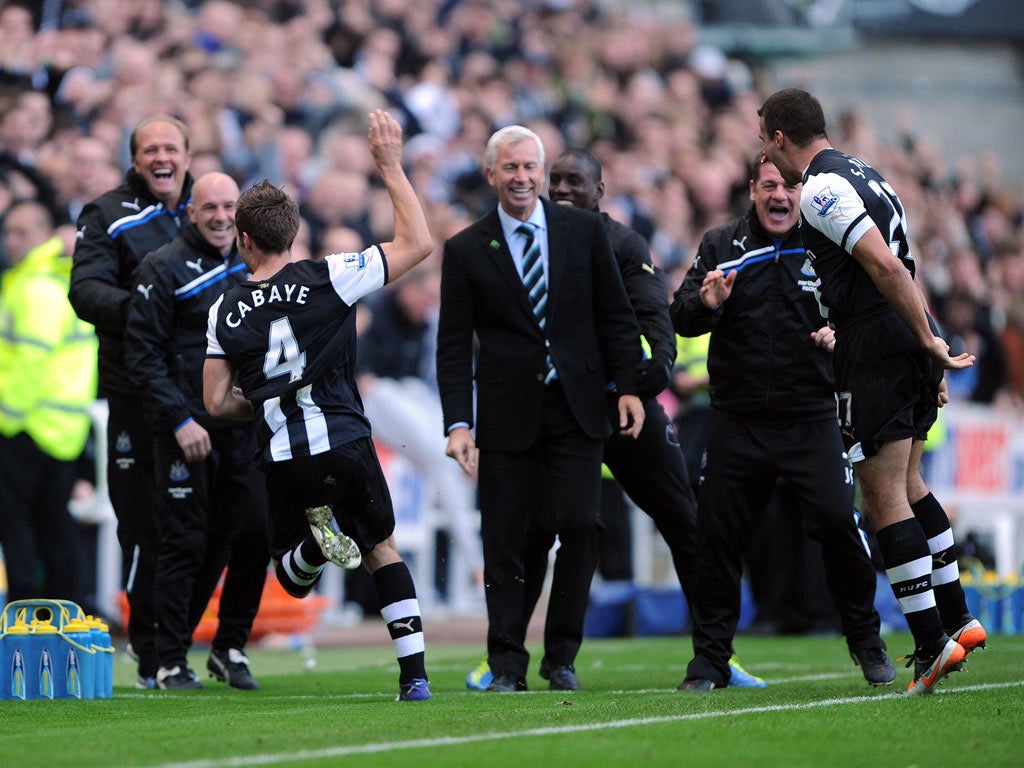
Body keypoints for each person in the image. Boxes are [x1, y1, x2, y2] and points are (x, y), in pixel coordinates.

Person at [757, 87, 986, 695]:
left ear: (780, 137)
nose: (767, 158)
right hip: (897, 335)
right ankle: (959, 616)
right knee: (912, 485)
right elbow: (903, 266)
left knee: (882, 496)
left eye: (765, 142)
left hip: (878, 343)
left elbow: (886, 266)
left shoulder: (822, 188)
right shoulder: (867, 173)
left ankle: (931, 642)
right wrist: (927, 340)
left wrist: (926, 343)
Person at [203, 110, 435, 702]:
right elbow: (418, 243)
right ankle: (414, 678)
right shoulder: (330, 275)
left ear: (245, 239)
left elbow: (215, 401)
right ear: (292, 231)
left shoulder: (225, 309)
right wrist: (388, 164)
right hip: (347, 437)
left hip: (284, 450)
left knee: (292, 577)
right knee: (382, 547)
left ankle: (311, 546)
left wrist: (260, 401)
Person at [671, 153, 896, 691]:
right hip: (737, 421)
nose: (780, 195)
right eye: (769, 185)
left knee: (841, 525)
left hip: (810, 416)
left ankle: (867, 642)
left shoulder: (830, 246)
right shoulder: (720, 244)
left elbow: (870, 314)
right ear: (752, 189)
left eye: (790, 186)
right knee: (717, 538)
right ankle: (709, 662)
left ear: (803, 193)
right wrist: (705, 305)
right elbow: (679, 313)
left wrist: (841, 340)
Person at [436, 127, 646, 693]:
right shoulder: (464, 249)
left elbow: (616, 315)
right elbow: (453, 346)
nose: (523, 178)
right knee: (506, 539)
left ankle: (562, 658)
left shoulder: (582, 231)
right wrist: (458, 423)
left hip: (576, 408)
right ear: (491, 175)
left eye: (531, 167)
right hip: (506, 417)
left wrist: (628, 386)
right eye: (511, 168)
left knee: (581, 524)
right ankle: (506, 663)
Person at [123, 172, 270, 691]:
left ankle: (230, 646)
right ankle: (168, 659)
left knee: (257, 531)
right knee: (183, 542)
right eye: (209, 207)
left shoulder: (256, 265)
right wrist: (181, 419)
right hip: (185, 429)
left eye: (230, 206)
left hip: (243, 429)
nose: (221, 217)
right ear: (190, 211)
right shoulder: (161, 268)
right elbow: (141, 354)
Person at [68, 114, 194, 688]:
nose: (161, 157)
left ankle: (195, 644)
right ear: (135, 159)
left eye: (171, 147)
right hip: (134, 395)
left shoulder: (213, 210)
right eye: (151, 149)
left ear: (188, 155)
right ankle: (151, 653)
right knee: (144, 525)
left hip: (201, 394)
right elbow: (85, 290)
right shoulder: (107, 215)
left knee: (213, 525)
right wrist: (149, 311)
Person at [354, 264, 484, 614]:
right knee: (439, 452)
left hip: (408, 405)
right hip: (371, 403)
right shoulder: (374, 310)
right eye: (425, 297)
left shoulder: (424, 324)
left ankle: (463, 578)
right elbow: (361, 371)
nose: (429, 306)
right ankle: (477, 567)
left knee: (446, 461)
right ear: (407, 289)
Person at [0, 201, 97, 606]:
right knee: (56, 532)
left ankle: (21, 619)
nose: (12, 241)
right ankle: (66, 616)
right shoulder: (59, 283)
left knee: (19, 531)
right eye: (9, 232)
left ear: (44, 234)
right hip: (64, 432)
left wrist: (6, 418)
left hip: (25, 427)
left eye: (22, 232)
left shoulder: (35, 288)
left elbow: (29, 364)